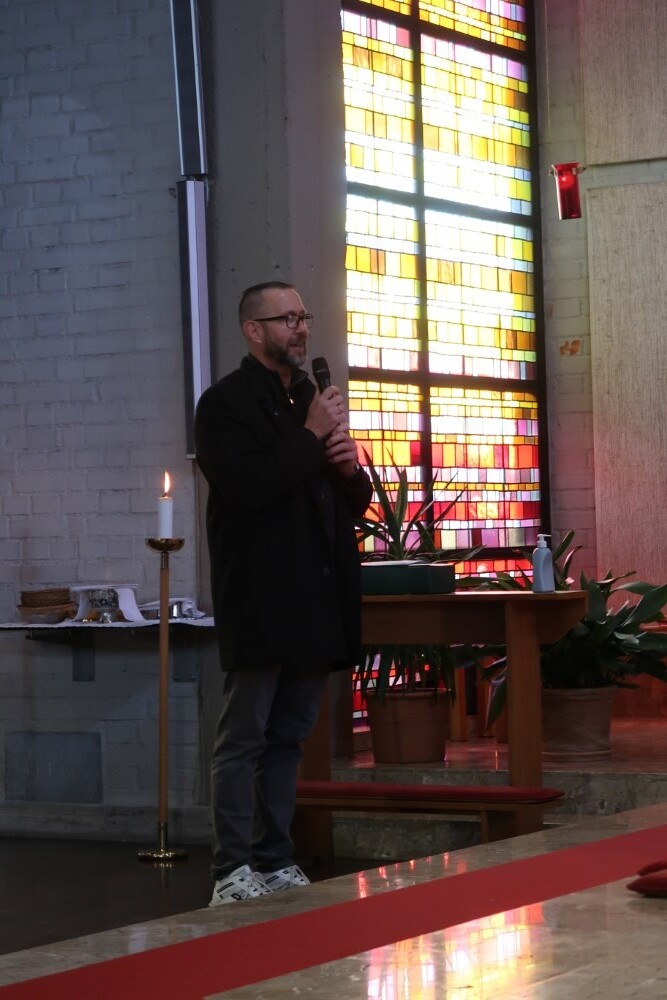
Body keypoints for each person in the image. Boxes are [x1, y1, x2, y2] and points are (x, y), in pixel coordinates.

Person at [194, 280, 372, 906]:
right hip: (261, 595)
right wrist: (311, 434)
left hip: (315, 596)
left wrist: (349, 469)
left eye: (304, 316)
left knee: (289, 737)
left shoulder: (306, 398)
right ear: (254, 330)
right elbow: (247, 487)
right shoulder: (224, 405)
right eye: (287, 318)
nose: (301, 328)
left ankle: (274, 859)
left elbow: (347, 501)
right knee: (243, 738)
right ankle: (231, 869)